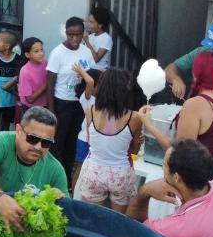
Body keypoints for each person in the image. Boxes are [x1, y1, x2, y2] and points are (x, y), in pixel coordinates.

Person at [0, 106, 69, 230]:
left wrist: (55, 201)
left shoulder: (55, 170)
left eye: (46, 142)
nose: (39, 147)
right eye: (32, 138)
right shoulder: (0, 142)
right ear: (18, 130)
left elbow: (66, 215)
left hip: (18, 231)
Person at [143, 51, 213, 177]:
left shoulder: (194, 105)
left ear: (196, 73)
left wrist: (149, 125)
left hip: (201, 175)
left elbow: (181, 152)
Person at [73, 69, 146, 214]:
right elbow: (134, 151)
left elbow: (90, 140)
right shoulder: (136, 117)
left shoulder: (90, 111)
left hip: (94, 171)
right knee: (117, 222)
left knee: (94, 219)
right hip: (120, 175)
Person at [45, 16, 92, 181]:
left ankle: (66, 179)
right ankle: (53, 178)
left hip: (80, 104)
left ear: (83, 34)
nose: (74, 38)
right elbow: (50, 83)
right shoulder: (57, 53)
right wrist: (52, 110)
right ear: (66, 33)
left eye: (78, 34)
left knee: (73, 142)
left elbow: (90, 76)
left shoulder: (86, 52)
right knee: (58, 143)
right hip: (61, 104)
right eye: (70, 34)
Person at [17, 37, 49, 118]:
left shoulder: (45, 63)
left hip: (45, 105)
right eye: (36, 51)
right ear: (27, 54)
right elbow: (30, 99)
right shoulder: (25, 71)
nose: (41, 53)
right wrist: (47, 84)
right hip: (31, 109)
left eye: (42, 49)